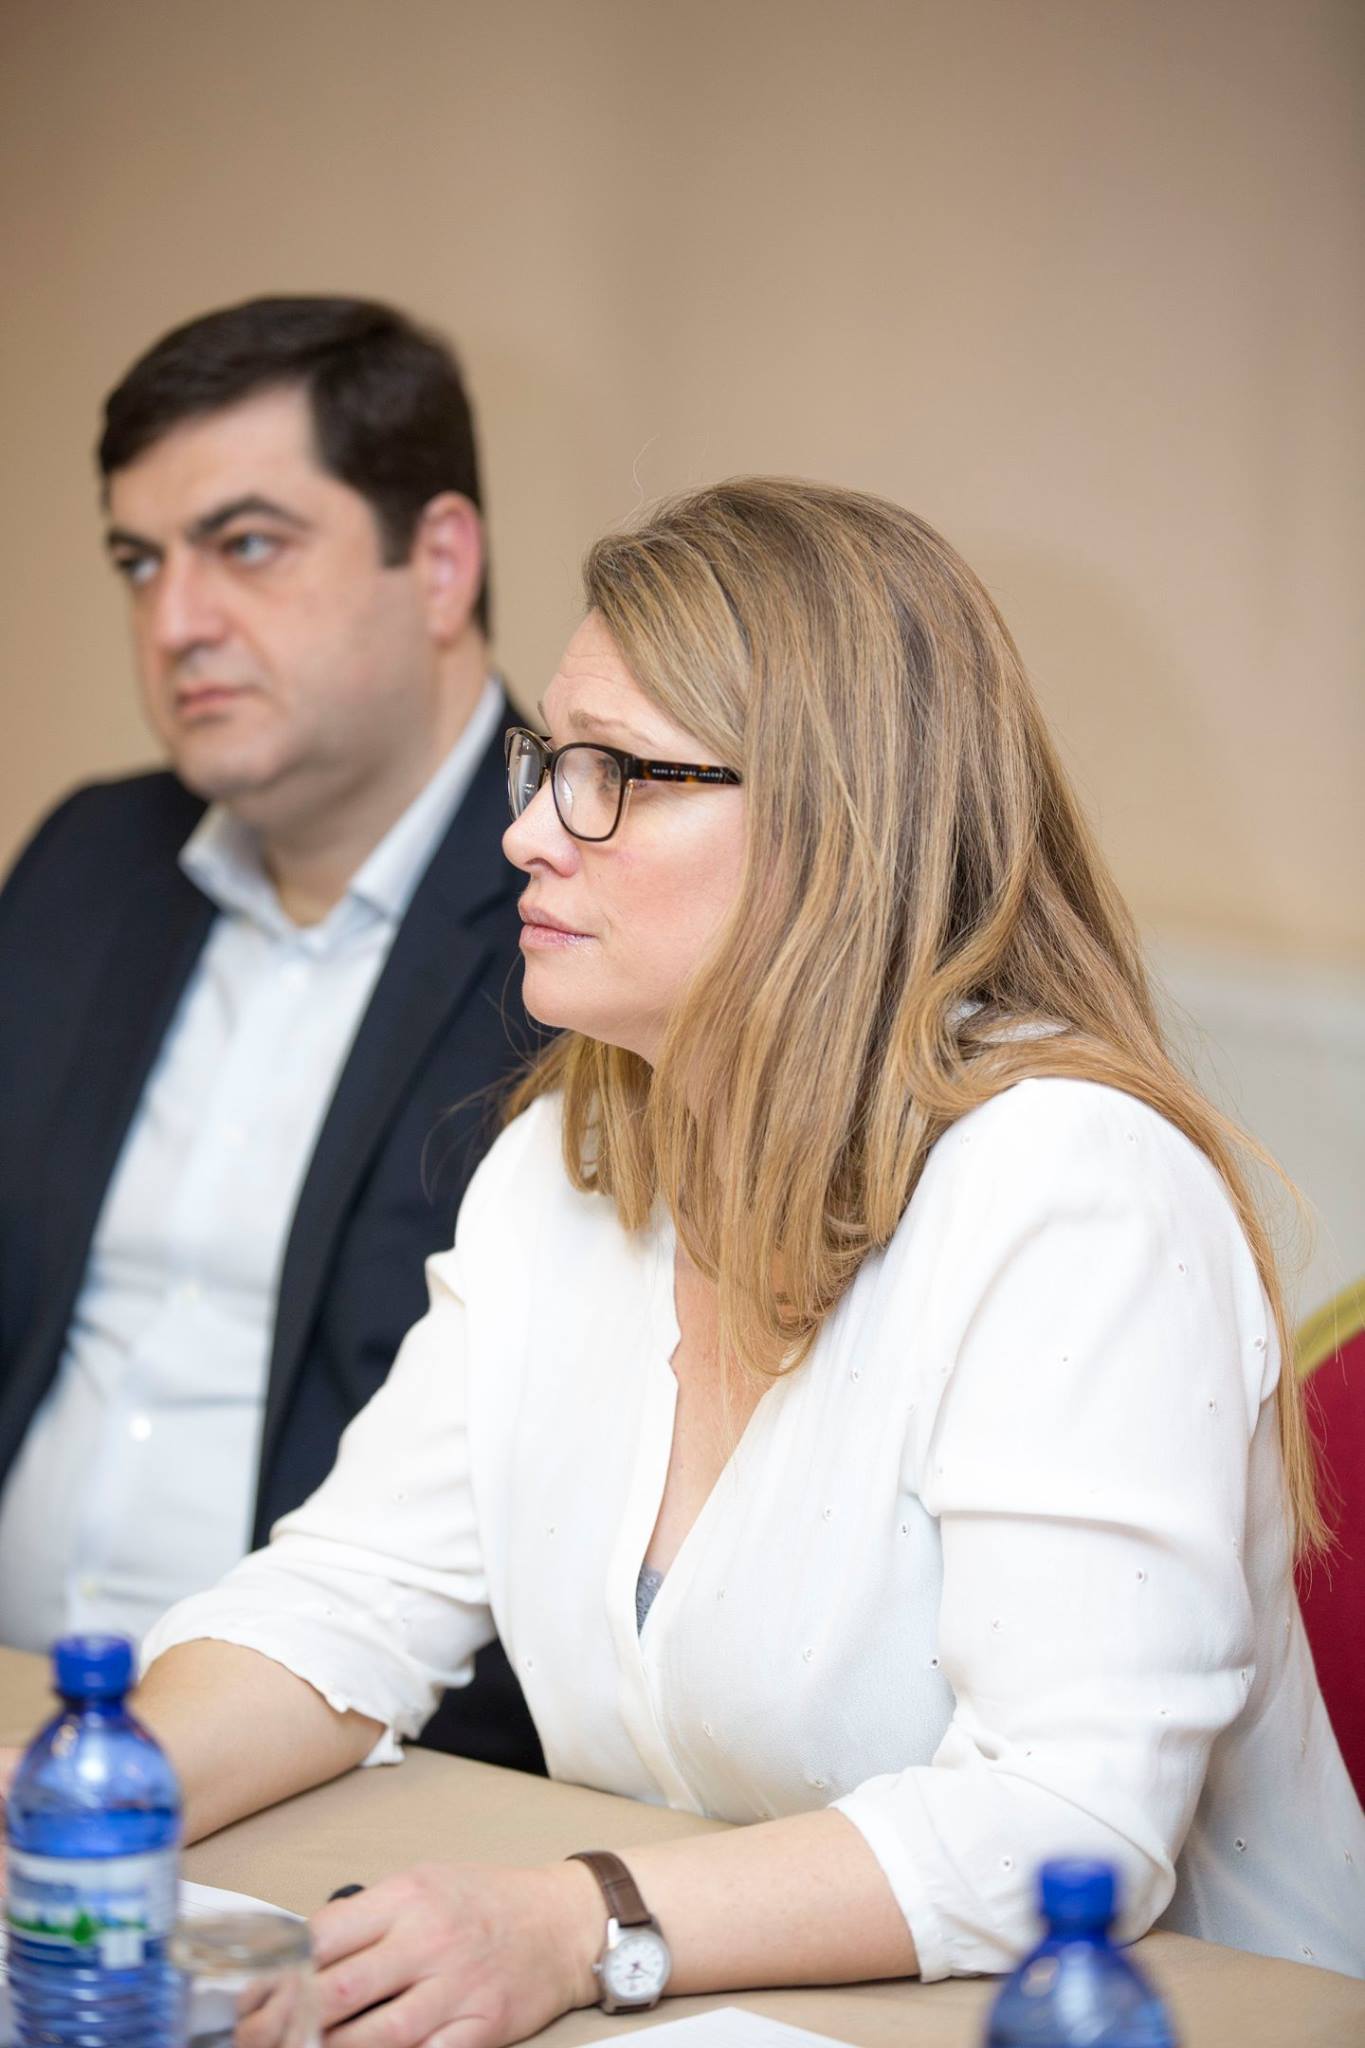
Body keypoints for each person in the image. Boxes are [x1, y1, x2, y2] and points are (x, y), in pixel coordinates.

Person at [12, 478, 1361, 2041]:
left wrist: (578, 1923)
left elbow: (1069, 1813)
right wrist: (77, 1804)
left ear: (836, 827)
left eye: (612, 775)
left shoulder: (1071, 1191)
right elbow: (349, 1594)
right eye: (545, 762)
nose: (526, 830)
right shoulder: (565, 1163)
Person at [0, 296, 543, 1772]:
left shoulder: (583, 912)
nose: (175, 621)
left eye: (245, 545)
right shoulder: (88, 864)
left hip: (368, 1771)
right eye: (139, 561)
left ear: (439, 563)